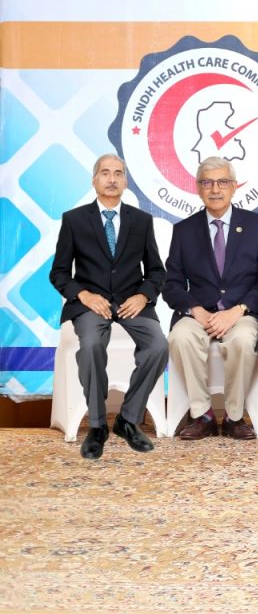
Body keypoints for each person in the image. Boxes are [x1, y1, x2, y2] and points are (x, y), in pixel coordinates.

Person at [49, 153, 167, 459]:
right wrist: (83, 295)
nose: (112, 179)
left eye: (118, 173)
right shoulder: (74, 220)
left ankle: (128, 419)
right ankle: (97, 425)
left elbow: (156, 271)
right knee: (90, 345)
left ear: (126, 181)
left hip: (132, 302)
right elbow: (59, 273)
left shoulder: (141, 221)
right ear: (94, 180)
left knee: (158, 346)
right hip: (91, 304)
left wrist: (143, 296)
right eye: (105, 172)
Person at [163, 156, 258, 440]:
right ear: (198, 187)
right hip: (199, 313)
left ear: (234, 186)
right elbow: (171, 283)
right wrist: (194, 309)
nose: (215, 189)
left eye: (223, 182)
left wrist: (238, 310)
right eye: (208, 183)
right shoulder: (184, 230)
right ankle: (203, 415)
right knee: (181, 337)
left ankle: (234, 417)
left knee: (243, 340)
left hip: (243, 312)